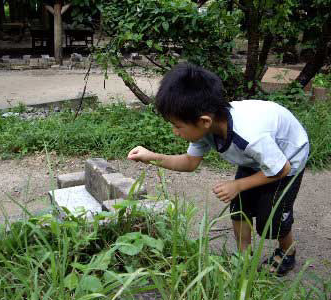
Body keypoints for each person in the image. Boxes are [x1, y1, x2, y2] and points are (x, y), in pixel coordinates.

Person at [127, 63, 309, 276]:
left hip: (288, 157)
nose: (175, 132)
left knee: (272, 221)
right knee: (240, 206)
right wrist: (151, 157)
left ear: (204, 121)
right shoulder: (208, 127)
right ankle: (244, 256)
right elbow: (189, 163)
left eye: (177, 126)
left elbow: (281, 169)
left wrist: (238, 184)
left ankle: (288, 252)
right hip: (257, 159)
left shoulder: (249, 136)